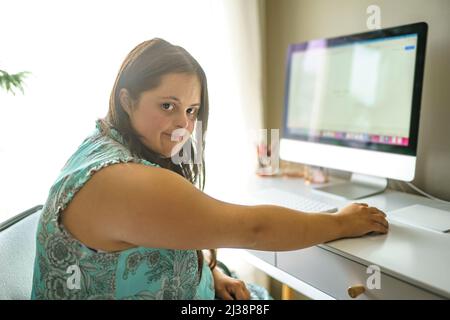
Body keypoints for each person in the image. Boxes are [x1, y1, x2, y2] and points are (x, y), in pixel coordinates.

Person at [31, 38, 389, 300]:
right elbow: (254, 228)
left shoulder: (107, 142)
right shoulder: (122, 181)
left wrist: (212, 273)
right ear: (127, 101)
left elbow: (160, 237)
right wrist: (343, 222)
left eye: (191, 110)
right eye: (168, 105)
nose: (182, 126)